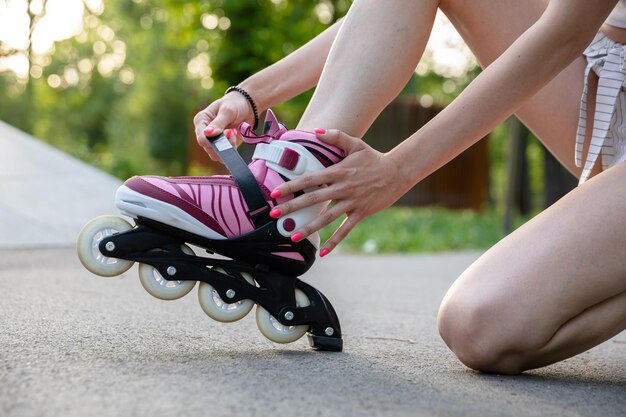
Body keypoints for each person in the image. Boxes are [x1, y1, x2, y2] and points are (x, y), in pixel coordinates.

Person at [194, 0, 626, 374]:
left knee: (478, 327)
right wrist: (250, 95)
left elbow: (563, 33)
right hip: (604, 77)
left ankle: (278, 203)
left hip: (574, 48)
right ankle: (284, 196)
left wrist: (397, 171)